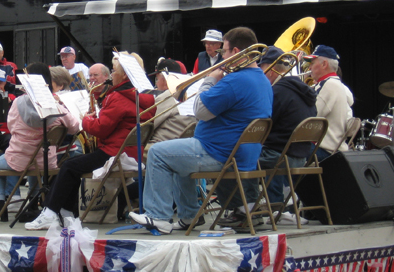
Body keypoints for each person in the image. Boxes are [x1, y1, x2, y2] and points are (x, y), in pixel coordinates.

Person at [128, 27, 273, 234]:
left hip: (219, 152)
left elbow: (200, 110)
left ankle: (158, 216)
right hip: (240, 152)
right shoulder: (261, 78)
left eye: (225, 51)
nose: (222, 55)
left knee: (158, 153)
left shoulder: (235, 80)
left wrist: (210, 80)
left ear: (237, 52)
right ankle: (189, 216)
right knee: (176, 156)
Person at [25, 52, 157, 230]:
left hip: (115, 154)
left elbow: (99, 129)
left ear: (125, 75)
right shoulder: (141, 98)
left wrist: (86, 119)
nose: (112, 74)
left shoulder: (119, 98)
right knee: (73, 165)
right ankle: (66, 213)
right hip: (131, 153)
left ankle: (51, 212)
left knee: (69, 166)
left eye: (114, 70)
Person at [216, 46, 317, 227]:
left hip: (282, 156)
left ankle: (246, 211)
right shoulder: (303, 91)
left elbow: (262, 125)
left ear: (271, 69)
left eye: (261, 69)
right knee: (249, 153)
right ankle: (255, 208)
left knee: (233, 159)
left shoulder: (278, 91)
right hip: (301, 156)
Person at [0, 63, 79, 222]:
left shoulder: (17, 102)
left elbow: (10, 126)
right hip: (45, 161)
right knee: (36, 162)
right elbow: (74, 127)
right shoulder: (55, 105)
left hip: (19, 158)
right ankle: (33, 205)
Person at [303, 45, 354, 160]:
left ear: (324, 64)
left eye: (312, 63)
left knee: (278, 152)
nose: (309, 67)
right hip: (326, 148)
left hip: (323, 150)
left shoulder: (329, 85)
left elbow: (310, 117)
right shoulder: (331, 83)